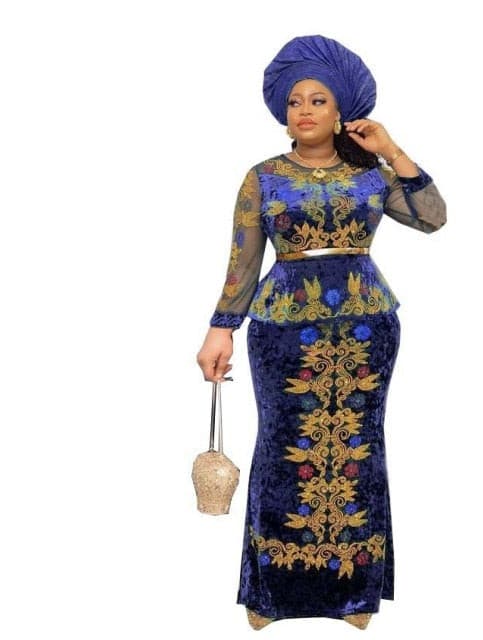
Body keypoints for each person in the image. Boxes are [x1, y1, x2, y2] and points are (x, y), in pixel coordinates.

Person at [196, 34, 446, 630]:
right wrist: (220, 329)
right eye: (295, 102)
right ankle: (271, 594)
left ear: (341, 112)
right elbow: (242, 262)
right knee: (283, 448)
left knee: (359, 447)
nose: (304, 111)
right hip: (283, 329)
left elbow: (433, 218)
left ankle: (353, 595)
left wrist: (390, 149)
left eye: (318, 100)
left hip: (366, 325)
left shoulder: (371, 174)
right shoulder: (263, 178)